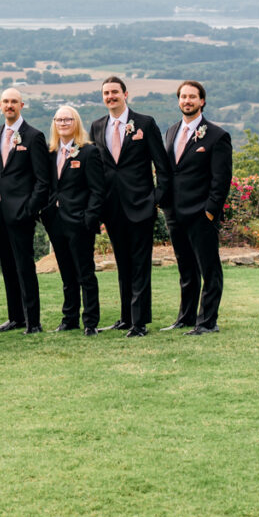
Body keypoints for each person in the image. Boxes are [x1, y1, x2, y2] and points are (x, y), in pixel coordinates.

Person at [89, 76, 171, 338]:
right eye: (106, 93)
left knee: (139, 265)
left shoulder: (144, 124)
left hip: (140, 206)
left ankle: (140, 322)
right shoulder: (97, 126)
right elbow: (97, 169)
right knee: (122, 264)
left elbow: (163, 166)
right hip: (111, 208)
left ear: (126, 94)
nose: (110, 96)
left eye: (115, 92)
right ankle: (125, 318)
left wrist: (154, 199)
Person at [157, 81, 232, 335]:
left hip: (201, 214)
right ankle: (186, 317)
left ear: (202, 101)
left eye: (192, 97)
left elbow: (221, 179)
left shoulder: (216, 135)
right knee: (185, 268)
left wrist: (210, 210)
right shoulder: (170, 131)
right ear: (179, 101)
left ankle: (208, 321)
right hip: (174, 213)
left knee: (209, 269)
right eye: (183, 96)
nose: (187, 100)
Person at [0, 88, 50, 335]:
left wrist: (29, 210)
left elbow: (42, 180)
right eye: (5, 101)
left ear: (22, 105)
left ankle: (33, 321)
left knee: (24, 267)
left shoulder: (33, 136)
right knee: (8, 266)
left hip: (21, 212)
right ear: (0, 105)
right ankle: (15, 317)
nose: (9, 105)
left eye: (14, 101)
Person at [48, 105, 105, 335]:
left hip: (80, 222)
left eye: (67, 119)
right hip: (56, 221)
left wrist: (88, 218)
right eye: (59, 119)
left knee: (85, 274)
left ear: (76, 122)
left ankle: (90, 321)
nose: (63, 123)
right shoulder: (49, 152)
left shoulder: (88, 152)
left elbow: (97, 190)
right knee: (66, 274)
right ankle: (69, 318)